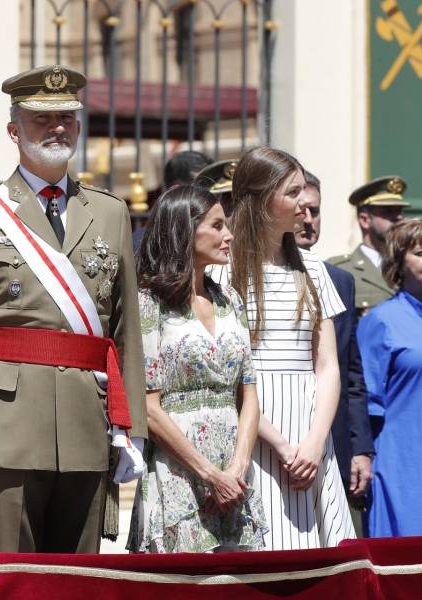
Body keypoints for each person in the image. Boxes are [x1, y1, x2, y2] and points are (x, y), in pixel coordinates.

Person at [0, 65, 147, 554]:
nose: (57, 128)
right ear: (14, 130)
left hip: (88, 425)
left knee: (78, 582)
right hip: (6, 424)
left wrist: (130, 429)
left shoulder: (109, 212)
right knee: (13, 578)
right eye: (40, 119)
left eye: (67, 117)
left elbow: (126, 331)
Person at [210, 147, 355, 550]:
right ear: (261, 197)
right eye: (292, 194)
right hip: (253, 428)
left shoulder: (314, 269)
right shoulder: (220, 272)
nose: (303, 206)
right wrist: (280, 444)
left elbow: (327, 367)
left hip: (309, 429)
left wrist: (313, 442)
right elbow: (228, 374)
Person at [127, 185, 265, 554]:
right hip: (178, 473)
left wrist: (237, 467)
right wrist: (209, 474)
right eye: (217, 226)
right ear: (185, 230)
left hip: (234, 474)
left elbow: (249, 393)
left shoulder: (231, 299)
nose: (229, 235)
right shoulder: (149, 302)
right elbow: (148, 407)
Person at [294, 171, 373, 526]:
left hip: (335, 444)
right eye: (301, 211)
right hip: (282, 438)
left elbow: (351, 372)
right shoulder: (250, 276)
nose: (308, 220)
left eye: (316, 211)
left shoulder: (340, 281)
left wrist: (360, 448)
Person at [357, 218, 422, 537]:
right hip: (402, 466)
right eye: (421, 253)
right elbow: (364, 402)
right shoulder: (381, 321)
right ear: (399, 263)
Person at [327, 177, 408, 316]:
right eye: (388, 211)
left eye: (399, 211)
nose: (398, 217)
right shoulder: (339, 269)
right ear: (365, 220)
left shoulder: (411, 265)